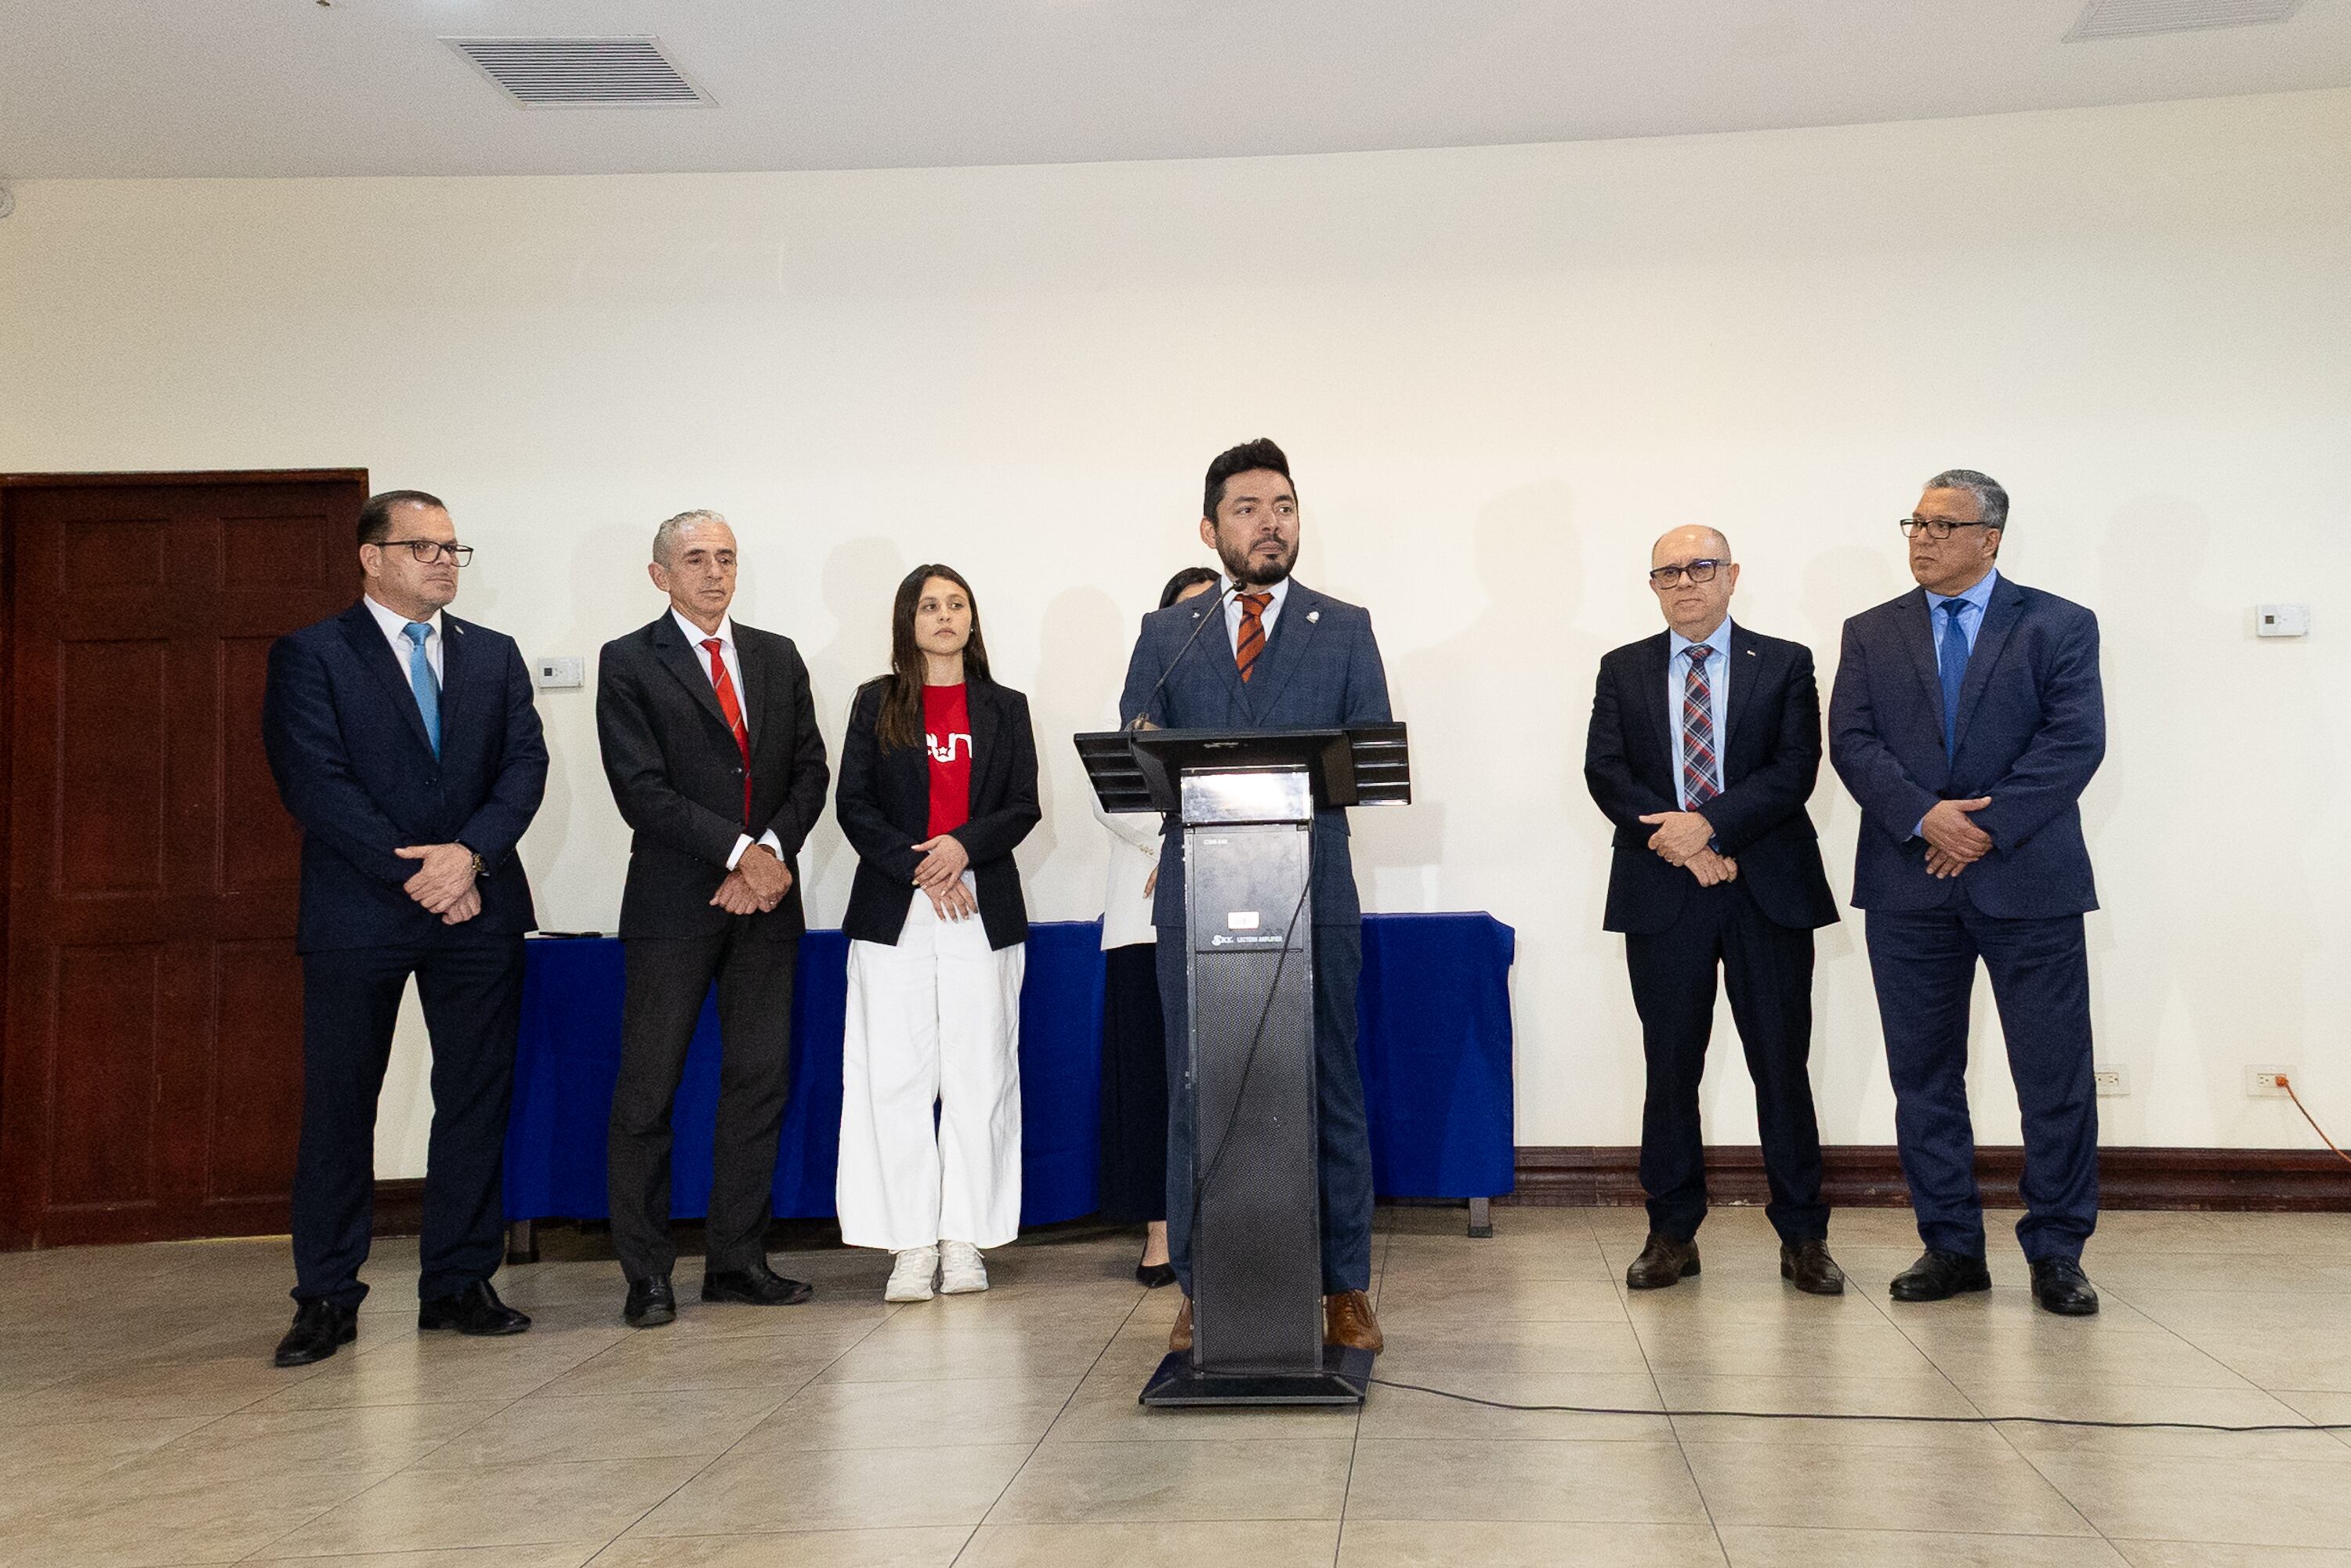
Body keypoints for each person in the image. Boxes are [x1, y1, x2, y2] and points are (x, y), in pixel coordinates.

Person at [1117, 438, 1392, 1356]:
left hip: (1316, 890)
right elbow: (1136, 751)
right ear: (1210, 529)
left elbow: (1365, 755)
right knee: (1196, 1088)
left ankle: (1344, 1286)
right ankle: (1202, 1290)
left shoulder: (1343, 627)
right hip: (1199, 895)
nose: (1270, 524)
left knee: (1329, 1082)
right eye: (1247, 509)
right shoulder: (1171, 635)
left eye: (1283, 506)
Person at [260, 489, 547, 1367]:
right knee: (342, 1104)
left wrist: (470, 857)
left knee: (474, 1098)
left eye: (454, 548)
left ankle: (459, 1283)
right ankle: (326, 1296)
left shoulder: (493, 654)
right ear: (371, 557)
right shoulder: (313, 654)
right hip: (360, 912)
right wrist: (421, 874)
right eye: (425, 547)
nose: (445, 561)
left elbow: (525, 766)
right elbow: (315, 782)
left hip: (479, 907)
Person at [1828, 469, 2107, 1316]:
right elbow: (1851, 741)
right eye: (1915, 522)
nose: (1922, 537)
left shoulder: (2059, 623)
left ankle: (2057, 1251)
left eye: (1943, 525)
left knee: (2054, 1076)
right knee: (1923, 1076)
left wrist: (1983, 828)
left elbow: (2074, 742)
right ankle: (1950, 1245)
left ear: (1990, 538)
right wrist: (1926, 818)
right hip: (1909, 883)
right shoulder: (1871, 630)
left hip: (2029, 881)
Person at [1585, 527, 1844, 1295]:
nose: (1685, 583)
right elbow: (1606, 772)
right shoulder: (1622, 667)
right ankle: (1671, 1233)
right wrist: (1684, 843)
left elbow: (1795, 768)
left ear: (1732, 576)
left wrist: (1711, 827)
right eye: (1668, 573)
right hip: (1663, 890)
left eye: (1700, 568)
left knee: (1781, 1065)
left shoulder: (1786, 661)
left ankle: (1804, 1237)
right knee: (1670, 1067)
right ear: (1653, 586)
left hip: (1768, 887)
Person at [596, 509, 831, 1327]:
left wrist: (767, 854)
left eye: (726, 558)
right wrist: (739, 854)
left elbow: (810, 771)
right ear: (660, 574)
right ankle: (647, 1275)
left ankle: (737, 1261)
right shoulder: (629, 660)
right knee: (647, 1093)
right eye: (696, 559)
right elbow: (640, 788)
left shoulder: (777, 655)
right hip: (673, 905)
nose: (715, 573)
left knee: (758, 1084)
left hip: (765, 906)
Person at [835, 565, 1041, 1302]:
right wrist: (923, 865)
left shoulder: (1006, 706)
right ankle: (911, 1243)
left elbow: (1022, 805)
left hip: (982, 904)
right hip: (895, 906)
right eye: (930, 605)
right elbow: (853, 803)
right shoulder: (876, 701)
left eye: (957, 604)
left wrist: (961, 849)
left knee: (979, 1074)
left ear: (972, 620)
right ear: (909, 620)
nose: (945, 615)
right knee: (893, 1075)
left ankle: (965, 1240)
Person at [1096, 564, 1220, 1289]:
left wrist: (1198, 845)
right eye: (1187, 611)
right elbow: (1110, 789)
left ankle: (1227, 1222)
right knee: (1151, 1077)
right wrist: (1173, 847)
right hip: (1143, 915)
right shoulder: (1144, 683)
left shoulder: (1248, 689)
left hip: (1233, 902)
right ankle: (1158, 1230)